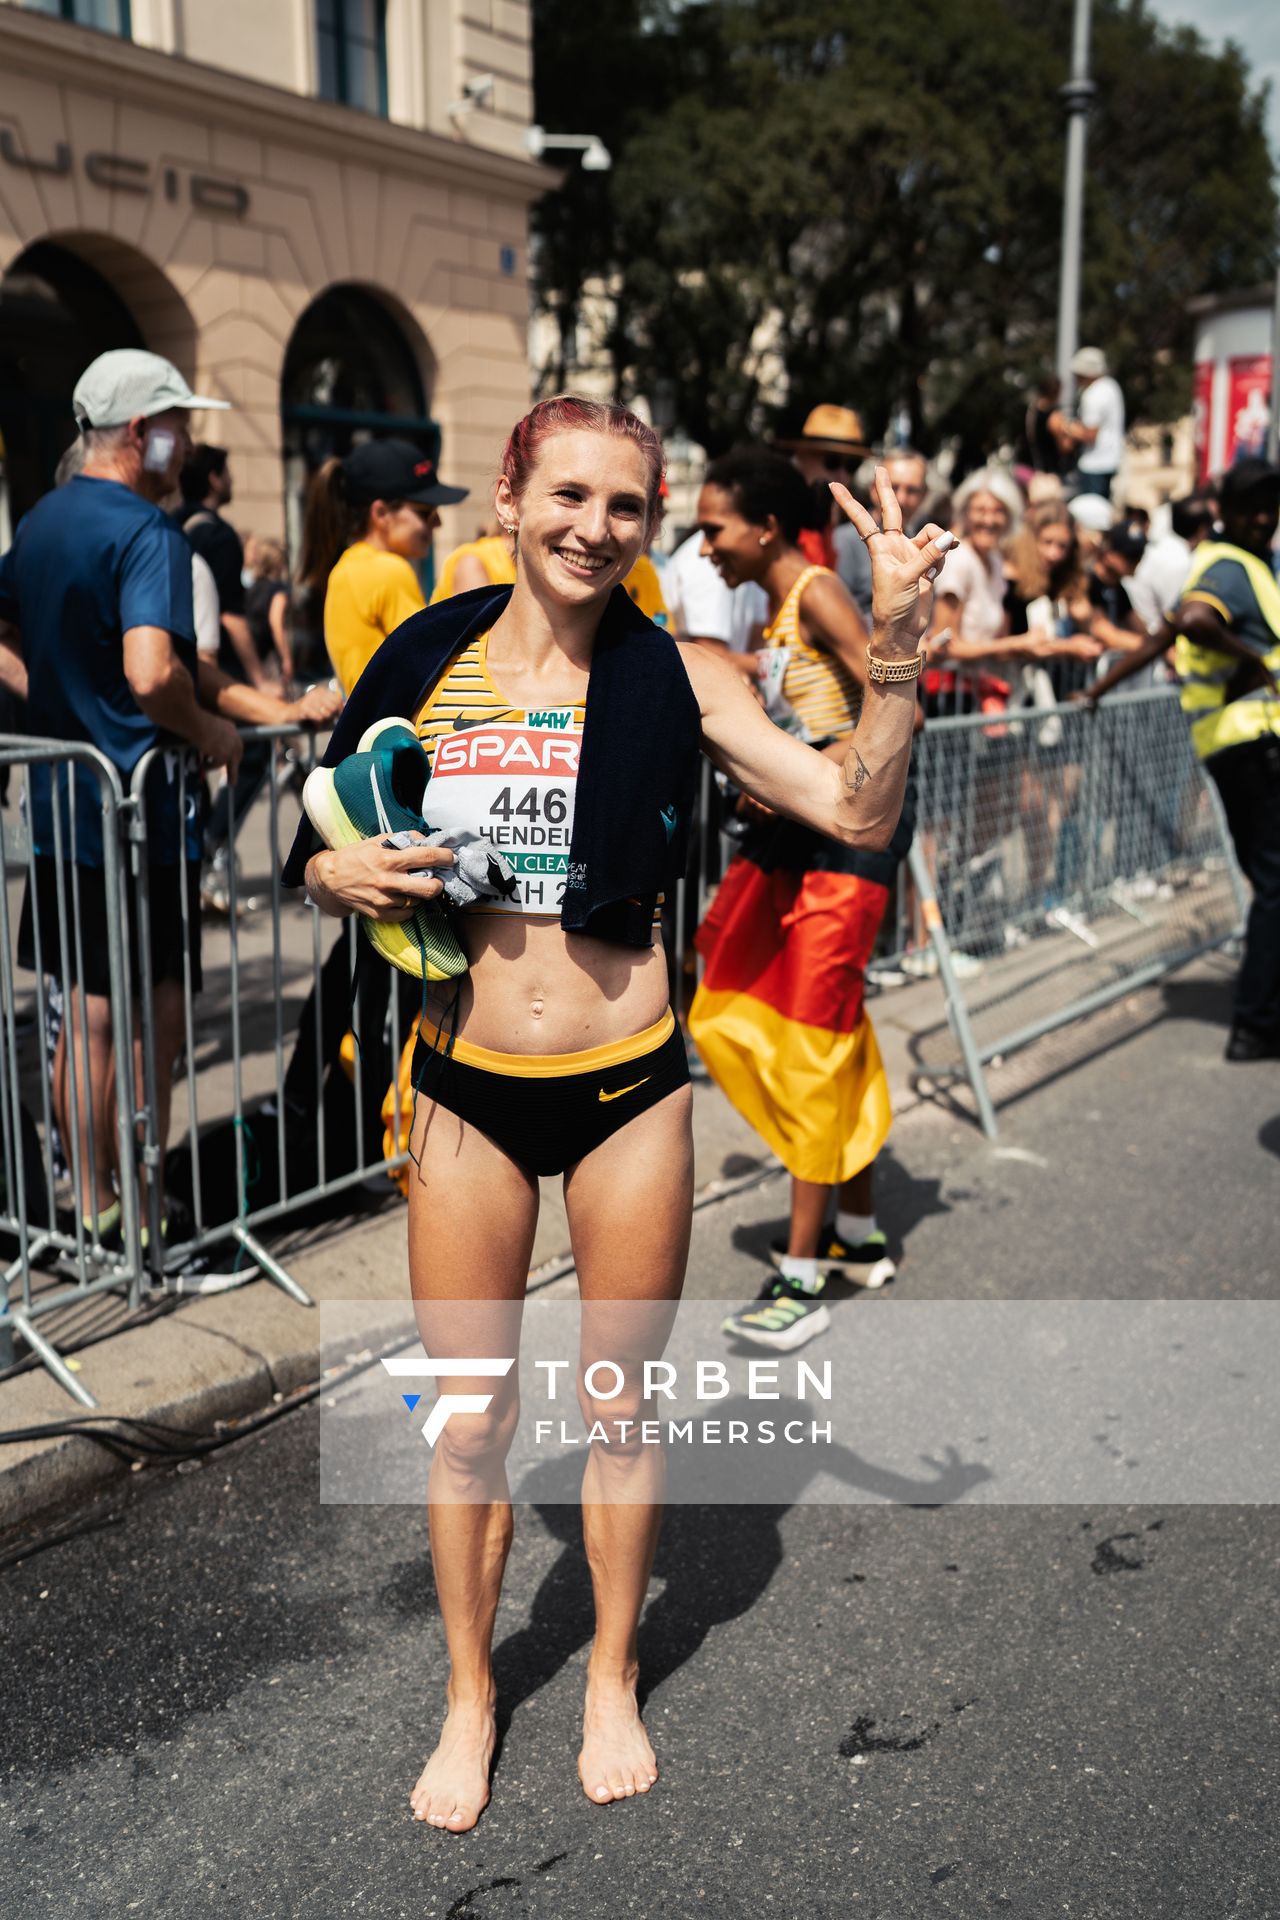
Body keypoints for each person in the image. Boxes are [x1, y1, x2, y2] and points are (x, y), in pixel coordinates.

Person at [282, 395, 947, 1828]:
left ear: (651, 525)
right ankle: (471, 1697)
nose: (595, 527)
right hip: (464, 1091)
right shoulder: (423, 650)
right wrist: (337, 880)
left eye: (627, 506)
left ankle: (607, 1678)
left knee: (622, 1409)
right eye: (568, 495)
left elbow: (854, 808)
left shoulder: (679, 670)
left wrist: (892, 646)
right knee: (466, 1423)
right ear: (510, 499)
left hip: (630, 1091)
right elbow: (320, 833)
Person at [0, 349, 336, 1244]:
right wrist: (205, 733)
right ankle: (148, 1224)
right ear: (143, 435)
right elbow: (156, 677)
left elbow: (168, 665)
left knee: (90, 1019)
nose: (190, 443)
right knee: (154, 1023)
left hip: (66, 811)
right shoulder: (149, 532)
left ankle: (100, 1208)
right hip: (141, 819)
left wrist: (54, 702)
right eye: (180, 425)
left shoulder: (39, 519)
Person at [687, 446, 927, 1345]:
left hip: (847, 838)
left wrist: (807, 770)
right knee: (771, 1005)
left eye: (713, 528)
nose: (704, 546)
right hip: (801, 833)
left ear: (765, 529)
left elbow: (901, 709)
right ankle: (859, 1234)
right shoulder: (779, 609)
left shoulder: (820, 589)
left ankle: (802, 1276)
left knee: (811, 1041)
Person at [1085, 458, 1280, 1059]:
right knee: (1276, 884)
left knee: (1267, 879)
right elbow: (1192, 622)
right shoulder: (1227, 565)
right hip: (1255, 744)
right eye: (1252, 505)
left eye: (1270, 504)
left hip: (1236, 745)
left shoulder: (1235, 561)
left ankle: (1260, 1009)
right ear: (1224, 510)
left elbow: (1163, 636)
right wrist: (1253, 659)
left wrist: (1096, 690)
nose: (1264, 516)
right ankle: (1257, 1021)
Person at [835, 449, 929, 626]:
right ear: (873, 489)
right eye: (893, 487)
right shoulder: (845, 541)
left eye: (912, 490)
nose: (901, 498)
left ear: (924, 496)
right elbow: (835, 615)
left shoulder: (920, 542)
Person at [777, 404, 871, 568]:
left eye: (852, 465)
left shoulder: (828, 514)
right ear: (802, 456)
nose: (842, 475)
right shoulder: (777, 513)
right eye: (832, 461)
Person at [1127, 494, 1216, 638]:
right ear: (1202, 530)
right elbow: (1176, 618)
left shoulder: (1163, 548)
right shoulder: (1178, 562)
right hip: (1154, 642)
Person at [1061, 346, 1125, 501]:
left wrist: (1066, 427)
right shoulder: (1111, 386)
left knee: (1091, 512)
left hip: (1094, 464)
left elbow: (1090, 434)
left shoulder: (1093, 394)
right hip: (1111, 459)